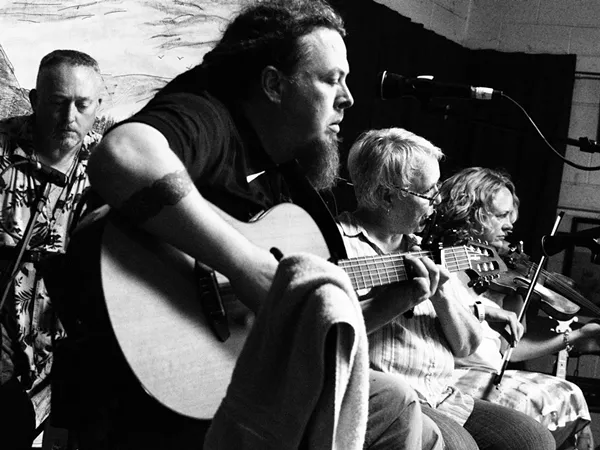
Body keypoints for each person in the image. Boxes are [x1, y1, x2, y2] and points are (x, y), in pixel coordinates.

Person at [52, 1, 443, 449]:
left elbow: (301, 333)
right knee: (396, 406)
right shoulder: (208, 114)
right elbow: (123, 153)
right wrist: (245, 265)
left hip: (226, 378)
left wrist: (393, 303)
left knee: (407, 416)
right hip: (144, 388)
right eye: (331, 79)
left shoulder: (283, 176)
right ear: (274, 84)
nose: (348, 97)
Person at [336, 127, 557, 450]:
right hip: (388, 399)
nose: (437, 201)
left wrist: (441, 296)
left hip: (442, 394)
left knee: (533, 439)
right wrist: (399, 299)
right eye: (428, 192)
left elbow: (466, 345)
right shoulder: (337, 245)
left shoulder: (425, 249)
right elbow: (325, 336)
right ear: (387, 196)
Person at [436, 166, 594, 449]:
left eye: (511, 217)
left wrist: (576, 337)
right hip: (449, 382)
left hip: (485, 375)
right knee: (545, 403)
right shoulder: (439, 268)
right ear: (468, 213)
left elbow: (507, 348)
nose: (509, 226)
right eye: (500, 215)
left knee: (568, 394)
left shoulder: (500, 280)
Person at [0, 49, 104, 450]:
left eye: (82, 105)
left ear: (98, 104)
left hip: (66, 350)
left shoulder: (110, 168)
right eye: (58, 103)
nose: (69, 117)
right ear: (34, 100)